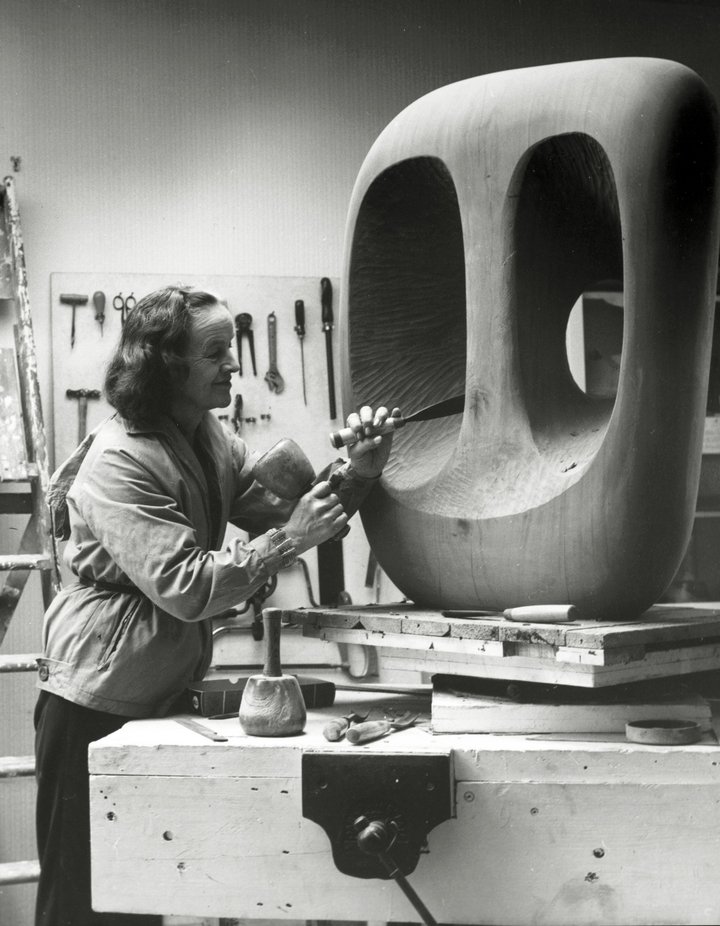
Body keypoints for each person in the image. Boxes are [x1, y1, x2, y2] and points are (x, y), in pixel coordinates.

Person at [34, 284, 398, 926]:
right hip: (90, 707)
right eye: (217, 352)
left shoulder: (203, 434)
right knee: (82, 907)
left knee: (143, 897)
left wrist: (360, 470)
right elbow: (190, 588)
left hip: (155, 699)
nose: (235, 365)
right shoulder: (121, 461)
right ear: (166, 365)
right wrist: (289, 540)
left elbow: (295, 511)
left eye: (232, 347)